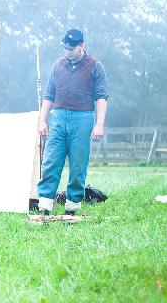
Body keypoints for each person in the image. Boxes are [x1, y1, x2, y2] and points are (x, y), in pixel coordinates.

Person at [37, 29, 109, 216]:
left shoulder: (95, 66)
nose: (67, 52)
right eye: (65, 48)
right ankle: (45, 204)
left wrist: (99, 124)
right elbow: (49, 94)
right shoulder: (58, 66)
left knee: (78, 163)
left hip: (83, 117)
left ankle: (72, 205)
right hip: (58, 117)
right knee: (51, 160)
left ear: (82, 46)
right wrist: (42, 119)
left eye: (71, 49)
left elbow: (101, 97)